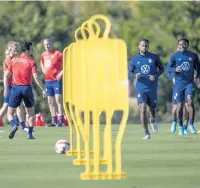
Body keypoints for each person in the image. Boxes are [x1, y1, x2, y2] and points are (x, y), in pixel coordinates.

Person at [4, 41, 46, 139]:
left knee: (10, 113)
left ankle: (14, 125)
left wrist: (6, 87)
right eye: (31, 48)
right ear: (27, 50)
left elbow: (7, 75)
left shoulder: (14, 60)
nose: (33, 50)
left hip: (15, 88)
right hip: (27, 88)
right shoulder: (31, 62)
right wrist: (43, 89)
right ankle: (30, 135)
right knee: (30, 113)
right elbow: (36, 77)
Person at [129, 39, 164, 139]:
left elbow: (162, 69)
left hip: (152, 88)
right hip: (141, 88)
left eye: (146, 46)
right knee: (143, 108)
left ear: (148, 47)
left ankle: (152, 120)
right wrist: (135, 75)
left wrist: (155, 76)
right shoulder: (134, 59)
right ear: (139, 47)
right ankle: (146, 133)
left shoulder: (154, 57)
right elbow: (130, 72)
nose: (144, 47)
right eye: (143, 45)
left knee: (152, 109)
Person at [167, 38, 200, 135]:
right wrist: (174, 70)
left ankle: (191, 125)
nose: (182, 45)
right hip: (178, 84)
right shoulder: (174, 56)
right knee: (179, 106)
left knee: (190, 101)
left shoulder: (193, 56)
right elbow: (168, 69)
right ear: (178, 45)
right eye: (180, 44)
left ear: (187, 45)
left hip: (189, 83)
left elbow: (198, 68)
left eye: (184, 44)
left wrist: (198, 77)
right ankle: (180, 126)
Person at [40, 39, 64, 127]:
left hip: (57, 80)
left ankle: (61, 120)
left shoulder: (58, 54)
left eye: (48, 44)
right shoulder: (43, 55)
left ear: (51, 44)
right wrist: (44, 70)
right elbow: (42, 63)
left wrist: (61, 72)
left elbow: (67, 63)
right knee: (50, 101)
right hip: (48, 80)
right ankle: (54, 120)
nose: (47, 46)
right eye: (45, 45)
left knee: (58, 99)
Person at [166, 70, 189, 134]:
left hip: (186, 89)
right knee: (175, 108)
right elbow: (168, 72)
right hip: (177, 90)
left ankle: (185, 127)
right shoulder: (176, 64)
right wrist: (172, 78)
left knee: (187, 107)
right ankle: (174, 121)